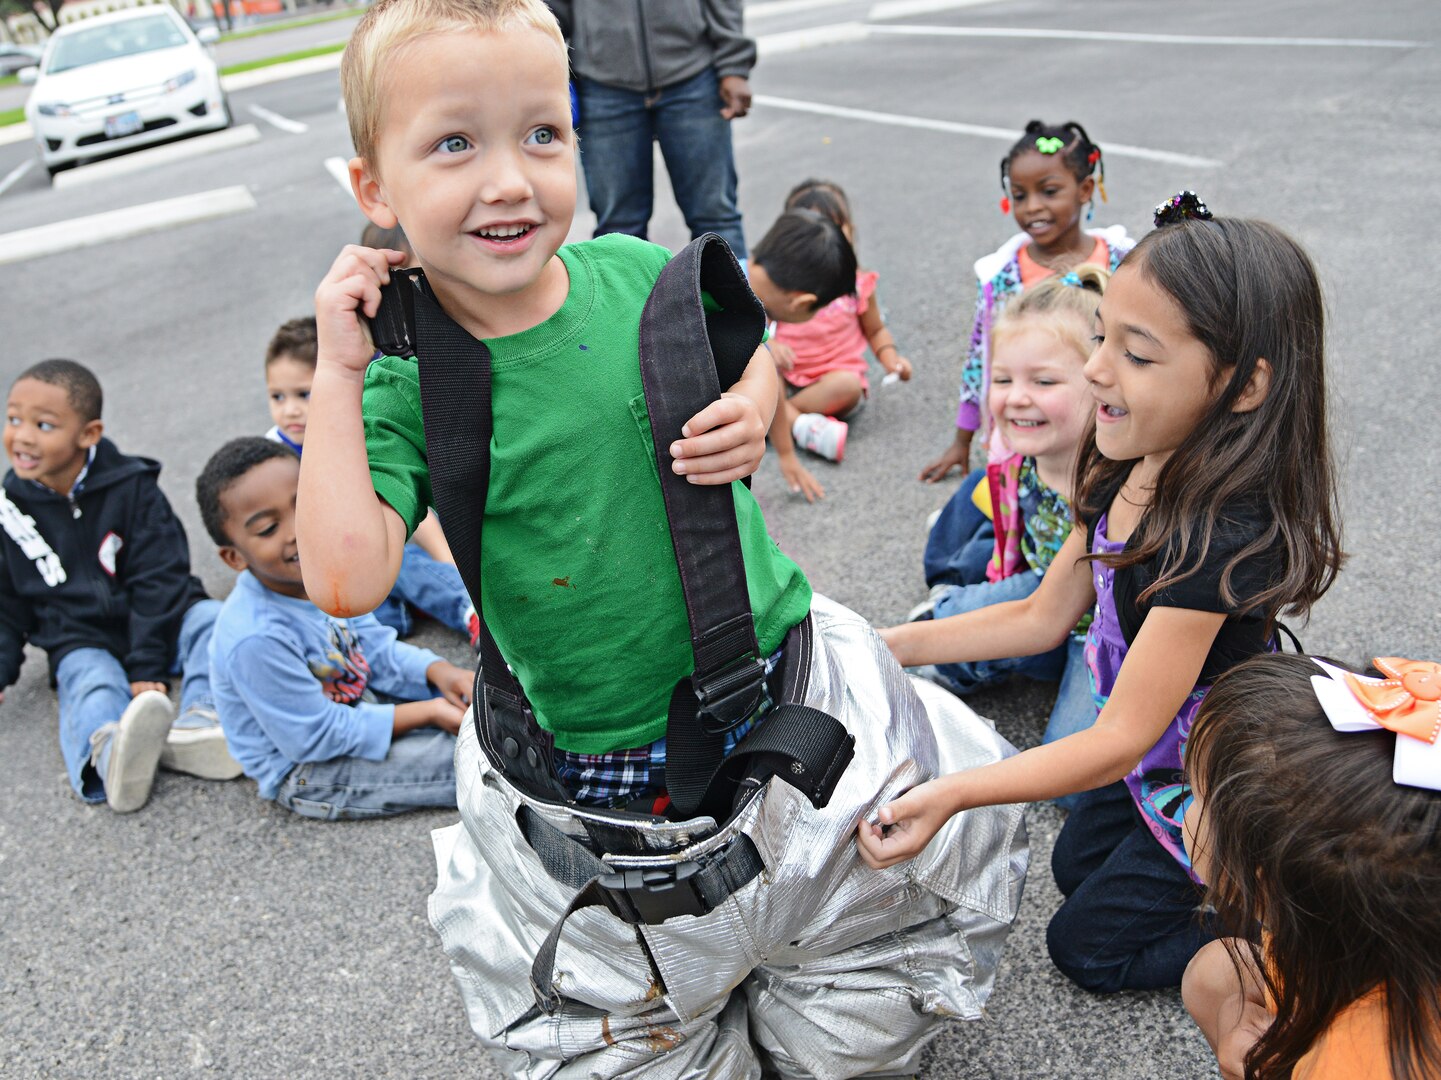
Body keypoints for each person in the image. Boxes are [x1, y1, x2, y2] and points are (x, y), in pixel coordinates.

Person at [300, 1, 1026, 1072]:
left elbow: (755, 352)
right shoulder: (407, 382)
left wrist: (755, 400)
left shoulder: (639, 277)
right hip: (609, 752)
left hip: (782, 677)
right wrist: (338, 367)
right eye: (455, 143)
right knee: (649, 961)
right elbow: (346, 578)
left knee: (852, 908)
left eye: (542, 134)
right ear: (374, 188)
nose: (509, 179)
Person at [861, 194, 1346, 993]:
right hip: (1149, 754)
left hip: (1208, 775)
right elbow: (1038, 616)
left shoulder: (1216, 541)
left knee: (1084, 948)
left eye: (1137, 354)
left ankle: (1291, 917)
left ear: (1244, 385)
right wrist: (890, 644)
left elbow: (1117, 736)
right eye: (1099, 338)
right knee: (1071, 863)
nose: (1095, 370)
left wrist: (950, 796)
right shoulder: (1124, 463)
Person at [1181, 654, 1441, 1080]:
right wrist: (1233, 1013)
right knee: (1214, 972)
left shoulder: (1354, 1061)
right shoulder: (1327, 918)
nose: (1186, 808)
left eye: (1196, 794)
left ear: (1262, 883)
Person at [0, 359, 233, 813]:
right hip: (82, 635)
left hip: (164, 621)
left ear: (88, 434)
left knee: (214, 621)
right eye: (13, 419)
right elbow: (6, 600)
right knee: (87, 680)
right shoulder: (9, 510)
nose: (22, 436)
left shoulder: (134, 488)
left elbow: (160, 575)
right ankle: (108, 756)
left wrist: (148, 662)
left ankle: (203, 722)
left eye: (43, 425)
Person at [197, 437, 472, 819]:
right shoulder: (254, 637)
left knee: (484, 714)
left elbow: (375, 649)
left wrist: (438, 671)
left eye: (302, 504)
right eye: (267, 528)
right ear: (233, 557)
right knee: (476, 764)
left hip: (355, 704)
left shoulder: (324, 575)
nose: (296, 530)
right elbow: (315, 737)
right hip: (308, 769)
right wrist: (428, 712)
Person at [913, 266, 1109, 771]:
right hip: (1044, 595)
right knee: (950, 627)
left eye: (1043, 381)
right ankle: (959, 623)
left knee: (1072, 777)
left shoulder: (1119, 483)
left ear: (1102, 383)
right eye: (1003, 379)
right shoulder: (1020, 462)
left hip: (1106, 632)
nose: (1016, 396)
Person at [920, 119, 1133, 484]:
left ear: (1085, 189)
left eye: (1049, 191)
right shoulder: (1001, 277)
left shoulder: (1123, 263)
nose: (1032, 207)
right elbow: (980, 359)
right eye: (1020, 195)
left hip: (1110, 431)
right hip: (1032, 433)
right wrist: (962, 441)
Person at [261, 315, 478, 646]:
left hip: (377, 546)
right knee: (359, 608)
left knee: (407, 563)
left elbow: (405, 507)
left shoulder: (356, 440)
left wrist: (446, 561)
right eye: (278, 397)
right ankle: (408, 608)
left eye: (304, 395)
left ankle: (467, 609)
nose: (289, 410)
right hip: (328, 575)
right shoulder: (273, 455)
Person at [548, 0, 753, 259]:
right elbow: (550, 10)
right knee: (618, 230)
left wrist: (734, 65)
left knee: (717, 217)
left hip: (693, 78)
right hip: (602, 86)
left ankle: (734, 300)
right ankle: (625, 300)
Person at [766, 179, 914, 494]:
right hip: (787, 377)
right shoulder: (781, 287)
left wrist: (891, 358)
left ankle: (778, 422)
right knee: (762, 362)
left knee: (847, 386)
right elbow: (755, 327)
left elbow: (875, 330)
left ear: (850, 231)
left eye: (835, 227)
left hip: (832, 382)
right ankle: (797, 425)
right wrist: (771, 343)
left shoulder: (858, 284)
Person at [742, 204, 859, 500]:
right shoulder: (744, 313)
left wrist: (786, 453)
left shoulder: (731, 269)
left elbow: (773, 382)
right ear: (801, 302)